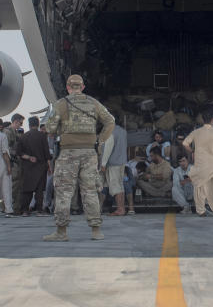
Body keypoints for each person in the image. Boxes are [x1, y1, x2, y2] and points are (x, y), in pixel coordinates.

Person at [42, 74, 114, 242]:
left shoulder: (61, 104)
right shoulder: (94, 103)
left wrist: (59, 128)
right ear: (82, 87)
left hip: (68, 153)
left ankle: (61, 232)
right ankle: (96, 231)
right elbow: (110, 121)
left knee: (64, 193)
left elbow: (50, 128)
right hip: (89, 153)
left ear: (68, 87)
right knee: (90, 191)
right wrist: (100, 139)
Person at [182, 105, 213, 217]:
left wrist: (192, 151)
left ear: (202, 119)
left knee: (199, 187)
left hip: (201, 163)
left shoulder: (196, 132)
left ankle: (201, 211)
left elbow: (184, 143)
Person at [17, 115, 51, 215]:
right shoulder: (42, 136)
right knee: (39, 190)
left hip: (27, 167)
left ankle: (25, 210)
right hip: (41, 167)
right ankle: (39, 210)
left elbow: (19, 153)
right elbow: (47, 154)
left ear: (29, 124)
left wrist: (29, 157)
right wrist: (50, 167)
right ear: (38, 124)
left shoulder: (23, 136)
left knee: (27, 189)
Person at [103, 123, 130, 215]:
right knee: (120, 185)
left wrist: (103, 164)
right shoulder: (123, 131)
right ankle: (122, 208)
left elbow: (107, 149)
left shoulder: (110, 132)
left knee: (115, 186)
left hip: (113, 163)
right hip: (122, 162)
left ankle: (120, 209)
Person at [6, 113, 25, 215]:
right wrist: (16, 154)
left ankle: (16, 208)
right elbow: (5, 149)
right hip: (12, 163)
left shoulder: (14, 132)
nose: (21, 125)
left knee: (18, 186)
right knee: (13, 186)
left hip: (17, 163)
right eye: (20, 123)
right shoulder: (8, 132)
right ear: (16, 121)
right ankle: (7, 206)